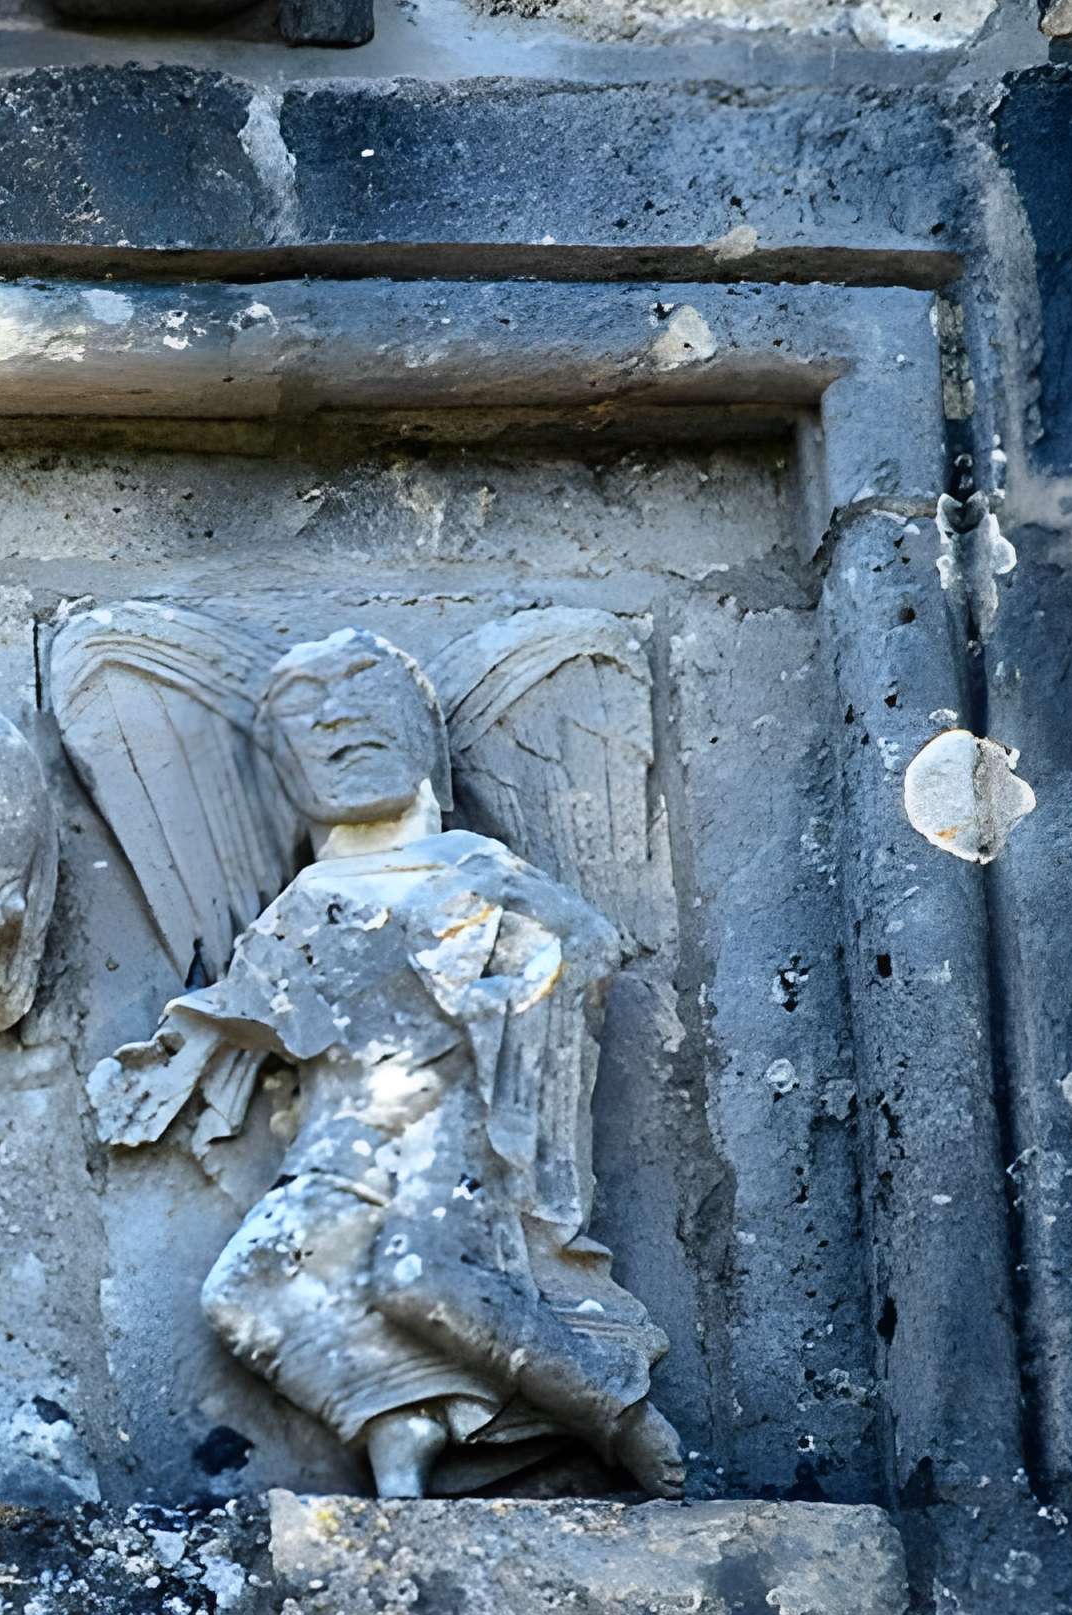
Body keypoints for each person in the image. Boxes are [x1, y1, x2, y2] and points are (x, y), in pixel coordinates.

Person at [90, 629, 684, 1498]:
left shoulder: (474, 870)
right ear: (283, 778)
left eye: (367, 694)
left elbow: (582, 951)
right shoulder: (310, 899)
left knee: (421, 1278)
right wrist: (170, 1062)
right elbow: (248, 1006)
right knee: (248, 1291)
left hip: (452, 1122)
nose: (336, 720)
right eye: (304, 712)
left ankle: (618, 1411)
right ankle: (395, 1417)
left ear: (427, 749)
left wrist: (493, 981)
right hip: (341, 1140)